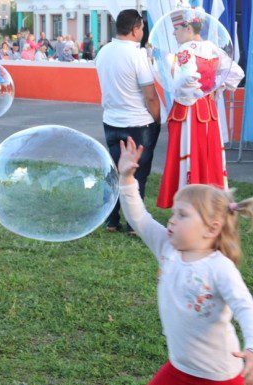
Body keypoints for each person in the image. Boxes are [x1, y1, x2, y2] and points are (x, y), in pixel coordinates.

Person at [118, 137, 253, 385]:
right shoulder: (167, 247)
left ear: (211, 229)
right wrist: (127, 178)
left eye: (182, 215)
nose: (171, 220)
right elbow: (139, 218)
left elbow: (246, 309)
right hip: (177, 369)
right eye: (173, 213)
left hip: (219, 380)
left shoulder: (220, 268)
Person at [157, 8, 245, 208]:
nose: (174, 33)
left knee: (189, 153)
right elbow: (236, 72)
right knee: (208, 155)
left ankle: (188, 204)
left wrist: (190, 91)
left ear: (187, 28)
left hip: (188, 112)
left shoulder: (185, 50)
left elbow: (186, 79)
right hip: (208, 111)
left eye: (176, 29)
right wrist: (213, 88)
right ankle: (209, 202)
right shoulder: (212, 48)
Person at [95, 9, 161, 234]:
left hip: (111, 121)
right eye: (142, 28)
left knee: (114, 172)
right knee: (138, 174)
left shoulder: (103, 51)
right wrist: (157, 118)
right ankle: (134, 224)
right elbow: (150, 95)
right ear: (135, 29)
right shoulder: (137, 55)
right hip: (137, 122)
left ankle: (112, 221)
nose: (143, 32)